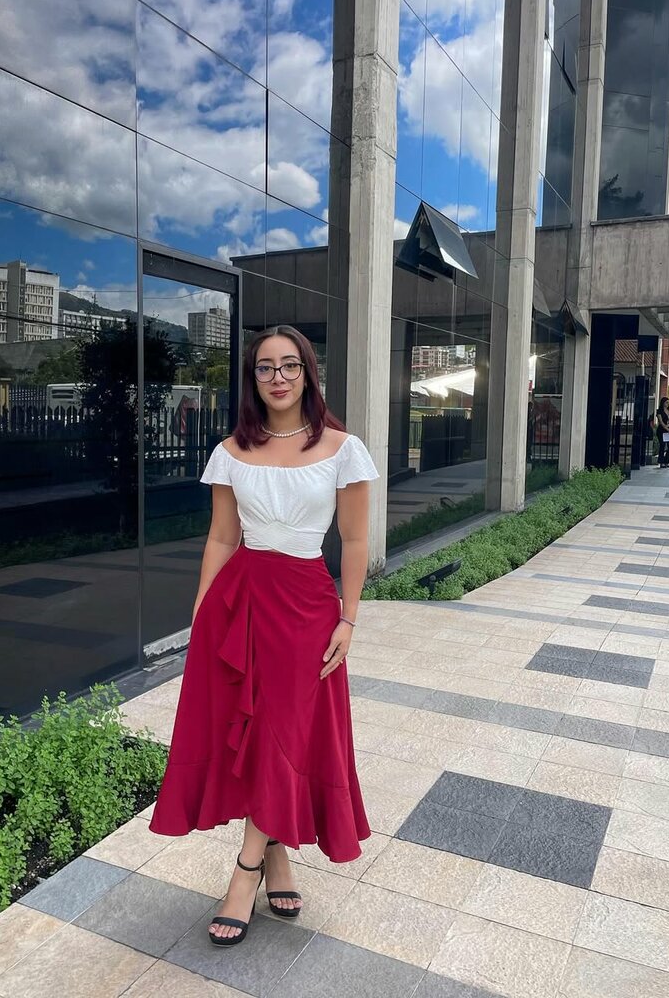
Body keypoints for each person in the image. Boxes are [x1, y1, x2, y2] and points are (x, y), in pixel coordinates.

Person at [149, 325, 377, 946]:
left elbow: (355, 539)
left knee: (286, 731)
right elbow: (223, 537)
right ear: (252, 378)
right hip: (240, 601)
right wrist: (202, 613)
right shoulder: (231, 450)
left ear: (307, 372)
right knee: (249, 735)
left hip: (306, 605)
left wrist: (348, 618)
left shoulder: (342, 448)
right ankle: (274, 857)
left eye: (289, 365)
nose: (278, 377)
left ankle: (245, 871)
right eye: (265, 367)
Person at [657, 396, 669, 469]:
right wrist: (667, 428)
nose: (668, 404)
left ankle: (666, 462)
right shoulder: (659, 411)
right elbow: (661, 422)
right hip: (661, 430)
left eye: (668, 402)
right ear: (663, 403)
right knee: (662, 445)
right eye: (666, 402)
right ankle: (661, 462)